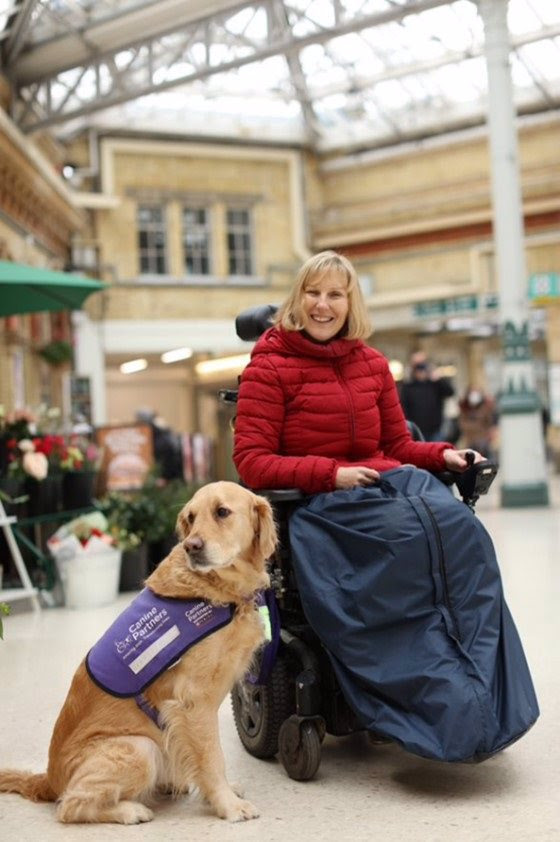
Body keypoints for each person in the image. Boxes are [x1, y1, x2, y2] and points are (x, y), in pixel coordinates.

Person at [234, 250, 480, 494]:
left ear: (350, 304)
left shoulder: (374, 365)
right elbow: (252, 463)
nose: (322, 304)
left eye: (335, 295)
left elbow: (397, 446)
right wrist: (333, 475)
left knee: (455, 521)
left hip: (382, 489)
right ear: (297, 299)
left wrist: (444, 455)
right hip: (318, 501)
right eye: (312, 292)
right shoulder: (268, 368)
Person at [399, 350, 455, 442]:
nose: (421, 372)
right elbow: (403, 407)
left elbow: (450, 392)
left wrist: (438, 379)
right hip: (416, 431)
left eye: (423, 368)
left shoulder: (435, 384)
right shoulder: (408, 386)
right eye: (418, 369)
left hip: (435, 430)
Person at [458, 386, 497, 459]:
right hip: (470, 442)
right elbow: (462, 425)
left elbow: (489, 423)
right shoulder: (465, 410)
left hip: (483, 442)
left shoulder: (485, 409)